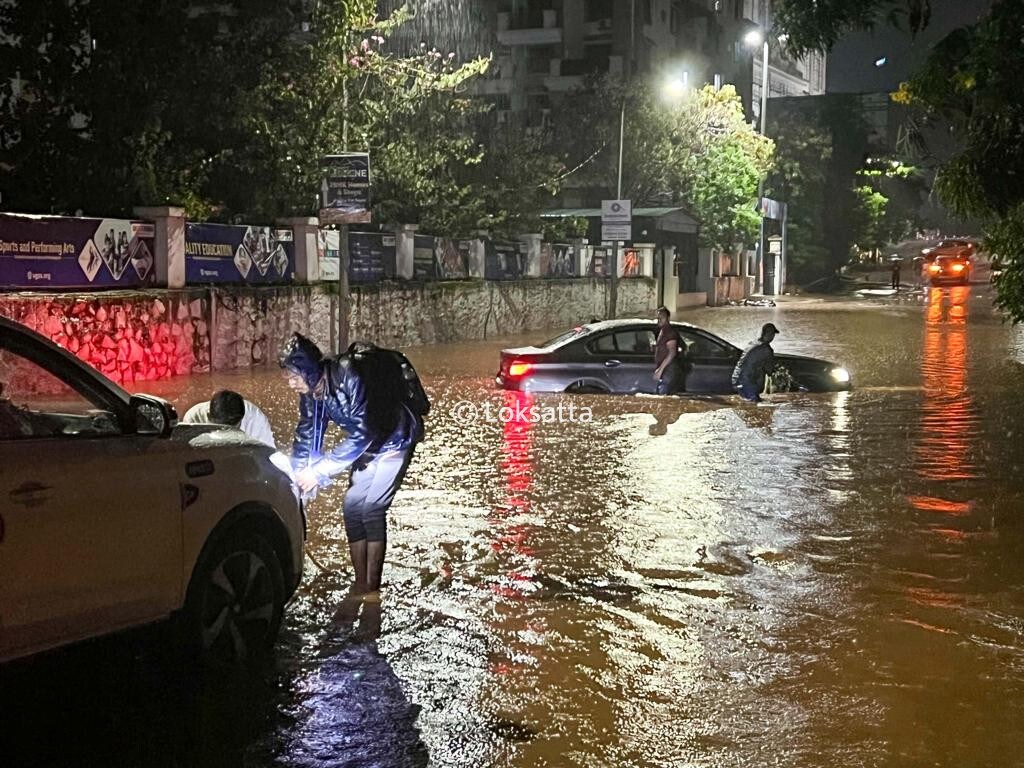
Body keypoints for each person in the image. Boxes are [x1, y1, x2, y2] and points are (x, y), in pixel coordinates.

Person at [279, 333, 423, 603]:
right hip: (368, 446)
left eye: (294, 375)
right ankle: (361, 583)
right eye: (288, 376)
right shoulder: (312, 395)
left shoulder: (349, 374)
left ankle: (372, 589)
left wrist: (319, 471)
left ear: (309, 371)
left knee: (372, 508)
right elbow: (307, 433)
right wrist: (298, 475)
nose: (291, 383)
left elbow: (363, 431)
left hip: (395, 439)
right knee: (352, 507)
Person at [181, 389, 276, 449]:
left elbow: (268, 453)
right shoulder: (193, 419)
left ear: (242, 418)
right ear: (209, 416)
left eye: (232, 427)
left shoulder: (255, 418)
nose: (227, 433)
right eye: (222, 428)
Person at [731, 322, 779, 402]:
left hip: (736, 379)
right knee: (754, 405)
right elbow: (769, 371)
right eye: (773, 334)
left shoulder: (753, 343)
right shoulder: (766, 350)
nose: (773, 337)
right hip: (747, 382)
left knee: (745, 405)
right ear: (768, 334)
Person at [653, 306, 687, 395]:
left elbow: (672, 353)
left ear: (668, 318)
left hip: (669, 370)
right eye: (658, 318)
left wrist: (660, 370)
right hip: (666, 370)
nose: (659, 320)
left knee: (663, 398)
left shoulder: (669, 332)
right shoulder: (663, 331)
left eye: (661, 318)